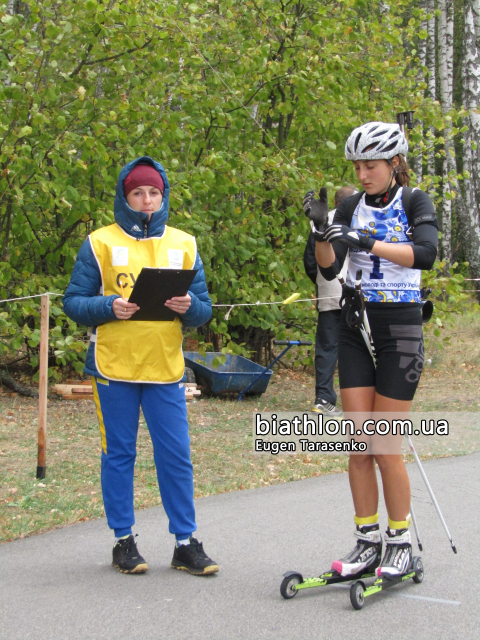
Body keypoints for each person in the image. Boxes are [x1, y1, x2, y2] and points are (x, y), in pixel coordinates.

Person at [63, 157, 219, 576]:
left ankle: (185, 543)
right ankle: (123, 541)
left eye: (154, 193)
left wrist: (191, 309)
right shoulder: (98, 243)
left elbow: (203, 309)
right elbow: (73, 303)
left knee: (176, 455)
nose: (147, 200)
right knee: (119, 454)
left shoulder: (185, 243)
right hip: (113, 368)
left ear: (162, 196)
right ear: (125, 196)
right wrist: (108, 306)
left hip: (165, 368)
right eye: (138, 193)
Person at [304, 122, 438, 578]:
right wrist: (324, 233)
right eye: (357, 166)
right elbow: (327, 269)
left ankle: (399, 543)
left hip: (400, 326)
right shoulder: (349, 205)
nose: (362, 174)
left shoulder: (415, 200)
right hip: (355, 326)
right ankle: (367, 540)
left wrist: (367, 240)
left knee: (385, 446)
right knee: (359, 445)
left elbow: (425, 254)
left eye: (371, 165)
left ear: (395, 163)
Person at [303, 187, 355, 415]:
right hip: (357, 292)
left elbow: (309, 260)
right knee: (359, 348)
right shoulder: (358, 219)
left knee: (326, 347)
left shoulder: (321, 220)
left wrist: (320, 281)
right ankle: (361, 399)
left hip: (329, 291)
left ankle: (323, 398)